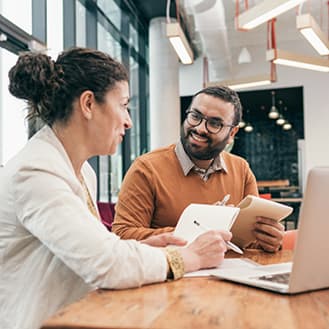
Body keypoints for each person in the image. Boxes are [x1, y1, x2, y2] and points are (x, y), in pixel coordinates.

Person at [0, 48, 231, 329]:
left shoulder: (82, 170)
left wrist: (138, 247)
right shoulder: (35, 171)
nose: (128, 121)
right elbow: (106, 265)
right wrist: (189, 256)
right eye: (123, 105)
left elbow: (87, 251)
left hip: (79, 315)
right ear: (88, 104)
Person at [112, 86, 284, 252]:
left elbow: (248, 243)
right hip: (174, 278)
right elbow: (123, 235)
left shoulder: (241, 169)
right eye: (195, 116)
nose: (200, 128)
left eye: (215, 123)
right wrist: (197, 230)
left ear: (232, 134)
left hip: (231, 276)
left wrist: (268, 240)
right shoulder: (146, 168)